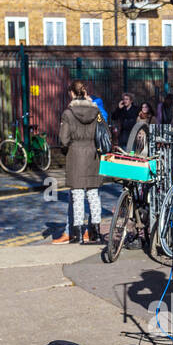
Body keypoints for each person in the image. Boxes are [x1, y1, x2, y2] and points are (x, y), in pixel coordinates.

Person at [56, 79, 103, 245]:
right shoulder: (96, 112)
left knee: (77, 196)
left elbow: (63, 139)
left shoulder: (68, 113)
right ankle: (95, 233)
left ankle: (77, 233)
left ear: (72, 94)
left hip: (75, 155)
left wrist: (66, 150)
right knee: (93, 195)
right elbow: (105, 134)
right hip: (93, 156)